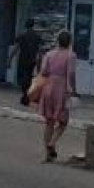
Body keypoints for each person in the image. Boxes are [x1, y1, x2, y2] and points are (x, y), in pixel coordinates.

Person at [37, 30, 78, 162]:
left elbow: (43, 71)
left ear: (58, 41)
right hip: (62, 88)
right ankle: (52, 142)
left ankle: (47, 154)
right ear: (70, 42)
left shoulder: (49, 54)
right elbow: (71, 74)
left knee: (49, 122)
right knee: (63, 121)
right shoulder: (71, 55)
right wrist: (74, 89)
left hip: (48, 87)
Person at [9, 19, 44, 106]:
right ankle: (27, 96)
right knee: (29, 78)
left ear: (25, 25)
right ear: (33, 26)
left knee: (23, 79)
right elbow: (40, 51)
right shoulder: (37, 37)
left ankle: (25, 95)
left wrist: (9, 59)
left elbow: (15, 48)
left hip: (22, 60)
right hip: (32, 60)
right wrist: (40, 63)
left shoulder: (21, 36)